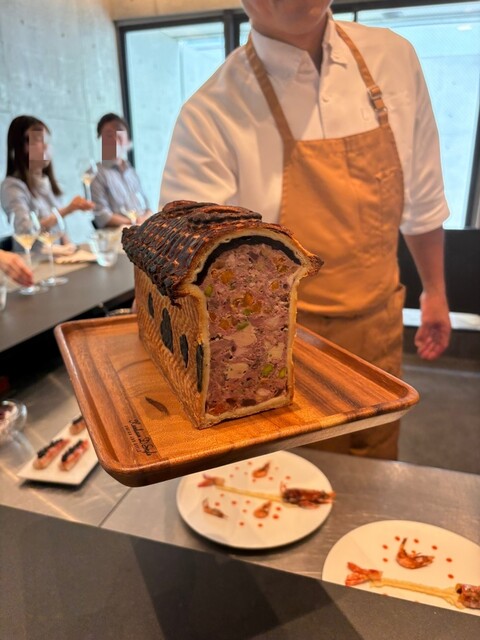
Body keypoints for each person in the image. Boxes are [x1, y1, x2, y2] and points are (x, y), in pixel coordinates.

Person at [160, 1, 452, 460]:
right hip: (274, 354)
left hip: (377, 332)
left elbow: (423, 196)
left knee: (375, 465)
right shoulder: (211, 113)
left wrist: (434, 290)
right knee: (292, 478)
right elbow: (190, 274)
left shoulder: (394, 58)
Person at [0, 115, 94, 249]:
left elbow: (60, 230)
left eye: (47, 140)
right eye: (38, 139)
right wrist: (68, 209)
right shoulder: (12, 186)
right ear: (22, 146)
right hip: (35, 258)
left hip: (58, 256)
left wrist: (70, 248)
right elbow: (25, 231)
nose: (46, 146)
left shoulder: (47, 182)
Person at [91, 113, 152, 229]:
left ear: (128, 140)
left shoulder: (132, 172)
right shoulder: (96, 173)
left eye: (119, 135)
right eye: (109, 136)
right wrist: (133, 223)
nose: (115, 140)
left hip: (143, 229)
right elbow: (102, 216)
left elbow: (148, 207)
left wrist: (145, 220)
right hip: (119, 233)